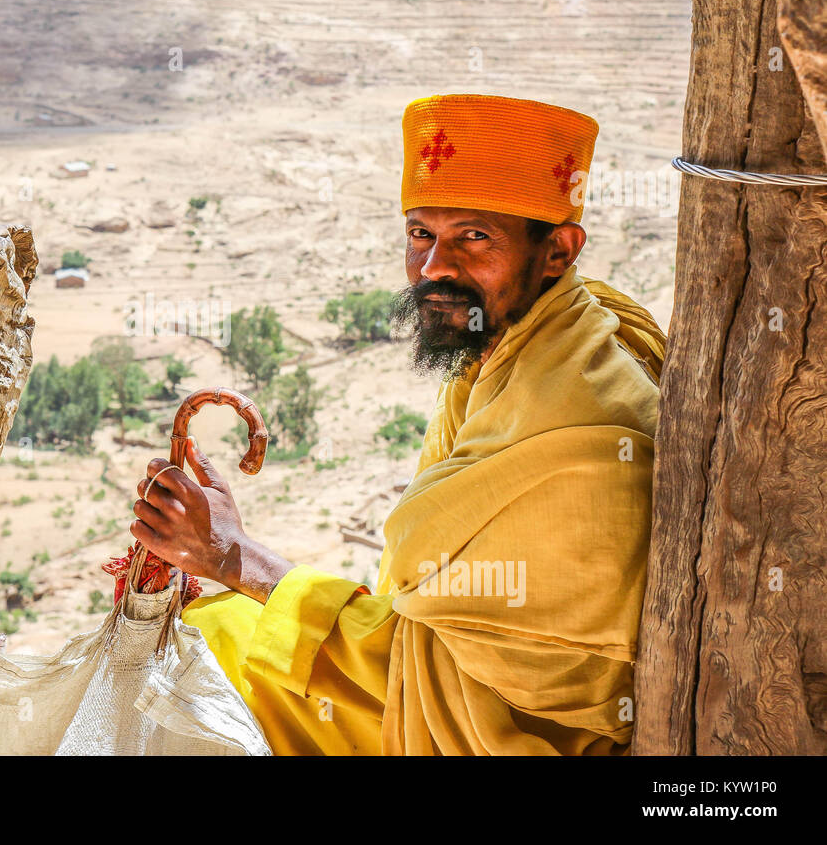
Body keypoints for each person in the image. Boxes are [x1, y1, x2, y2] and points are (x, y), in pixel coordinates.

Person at [130, 93, 666, 755]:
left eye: (474, 236)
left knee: (185, 677)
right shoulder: (533, 338)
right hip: (434, 692)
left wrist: (230, 557)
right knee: (210, 629)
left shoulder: (579, 427)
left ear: (558, 250)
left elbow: (454, 691)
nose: (436, 266)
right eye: (421, 234)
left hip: (501, 736)